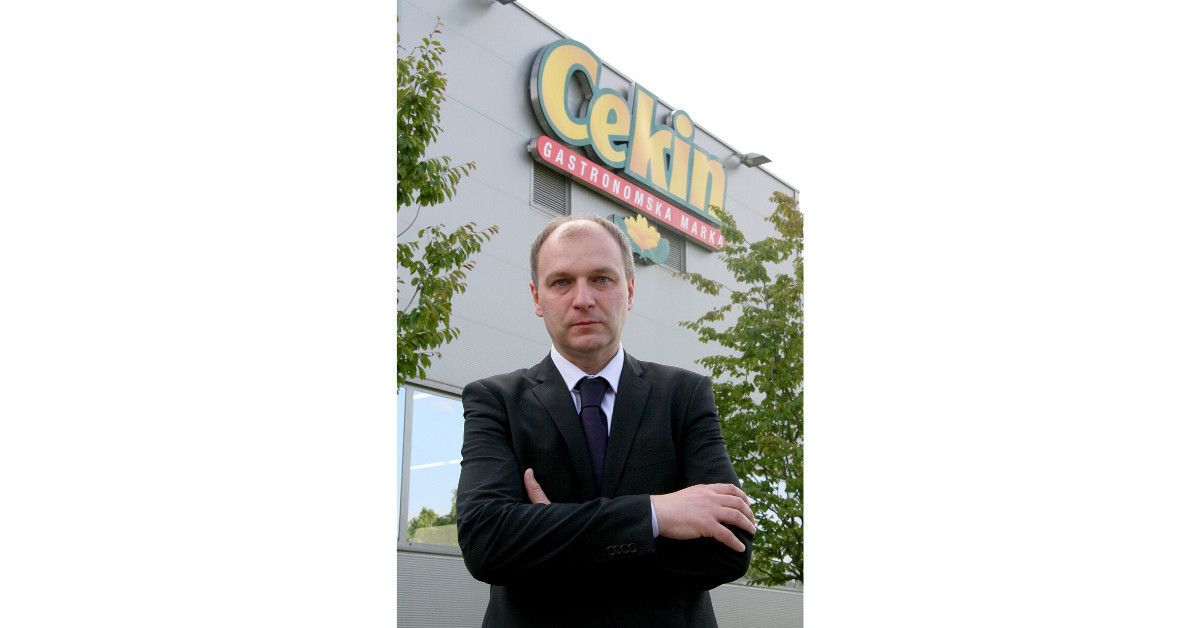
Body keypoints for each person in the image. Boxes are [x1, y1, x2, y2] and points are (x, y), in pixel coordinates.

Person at [456, 214, 756, 627]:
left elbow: (730, 547)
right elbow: (486, 542)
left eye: (601, 279)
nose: (583, 299)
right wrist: (656, 514)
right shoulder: (495, 401)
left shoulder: (685, 396)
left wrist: (552, 535)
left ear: (629, 290)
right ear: (537, 297)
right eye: (561, 282)